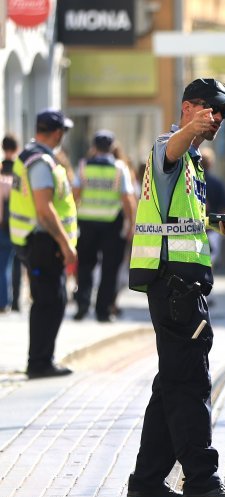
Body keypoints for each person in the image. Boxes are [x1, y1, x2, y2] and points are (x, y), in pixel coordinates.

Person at [125, 78, 225, 497]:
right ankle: (201, 481)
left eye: (220, 114)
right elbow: (169, 151)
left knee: (172, 383)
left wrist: (216, 221)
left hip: (182, 284)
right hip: (174, 285)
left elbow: (178, 220)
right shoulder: (169, 147)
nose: (216, 119)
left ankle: (145, 481)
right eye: (210, 110)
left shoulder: (192, 163)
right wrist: (191, 128)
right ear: (188, 108)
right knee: (191, 381)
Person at [8, 109, 78, 378]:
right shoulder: (40, 162)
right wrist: (65, 244)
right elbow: (44, 209)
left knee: (51, 300)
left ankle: (42, 359)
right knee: (49, 301)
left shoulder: (30, 156)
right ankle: (39, 362)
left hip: (37, 241)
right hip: (43, 242)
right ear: (58, 133)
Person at [72, 130, 136, 322]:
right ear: (113, 147)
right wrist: (131, 224)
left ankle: (82, 303)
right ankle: (103, 311)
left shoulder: (83, 166)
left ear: (94, 147)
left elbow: (75, 194)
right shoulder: (119, 168)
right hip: (111, 225)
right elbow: (128, 199)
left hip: (87, 223)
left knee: (84, 266)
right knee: (110, 269)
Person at [198, 147, 225, 267]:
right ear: (211, 163)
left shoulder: (193, 181)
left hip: (195, 228)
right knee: (210, 261)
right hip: (213, 229)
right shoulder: (217, 183)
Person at [0, 134, 20, 312]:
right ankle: (16, 302)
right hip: (18, 224)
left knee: (3, 264)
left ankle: (4, 301)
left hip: (3, 226)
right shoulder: (21, 171)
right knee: (17, 264)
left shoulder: (1, 171)